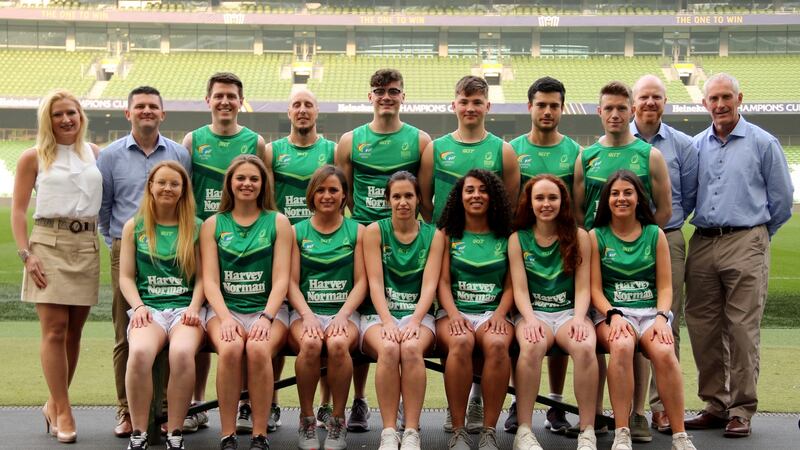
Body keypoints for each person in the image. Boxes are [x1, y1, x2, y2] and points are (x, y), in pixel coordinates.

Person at [684, 73, 794, 438]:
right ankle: (716, 405)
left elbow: (781, 200)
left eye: (726, 97)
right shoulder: (696, 145)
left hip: (746, 240)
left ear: (739, 98)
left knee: (742, 330)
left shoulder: (763, 142)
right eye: (713, 98)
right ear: (704, 104)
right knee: (703, 328)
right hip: (702, 242)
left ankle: (742, 408)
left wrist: (758, 236)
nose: (720, 104)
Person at [335, 68, 431, 431]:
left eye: (393, 91)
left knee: (404, 329)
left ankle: (407, 411)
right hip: (363, 241)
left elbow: (423, 197)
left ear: (403, 96)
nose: (386, 96)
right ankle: (358, 401)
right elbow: (343, 193)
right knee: (363, 321)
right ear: (370, 95)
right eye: (379, 91)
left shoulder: (420, 141)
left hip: (404, 240)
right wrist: (361, 233)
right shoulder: (350, 140)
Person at [97, 86, 193, 438]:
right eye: (140, 106)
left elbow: (186, 197)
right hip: (129, 244)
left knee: (172, 330)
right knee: (129, 333)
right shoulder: (109, 155)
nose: (147, 111)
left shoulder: (180, 153)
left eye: (153, 106)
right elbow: (104, 208)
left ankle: (166, 408)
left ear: (163, 114)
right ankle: (127, 411)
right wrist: (118, 244)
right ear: (129, 113)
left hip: (175, 243)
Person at [11, 89, 102, 444]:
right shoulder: (33, 157)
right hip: (47, 244)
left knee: (74, 332)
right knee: (54, 330)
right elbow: (18, 211)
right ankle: (63, 410)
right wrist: (26, 254)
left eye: (72, 113)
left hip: (86, 244)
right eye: (58, 114)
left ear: (81, 116)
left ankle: (53, 403)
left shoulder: (95, 153)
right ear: (47, 120)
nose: (66, 119)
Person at [183, 72, 267, 434]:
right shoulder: (193, 140)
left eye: (232, 96)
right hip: (201, 239)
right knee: (199, 322)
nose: (225, 102)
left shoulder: (255, 141)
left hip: (239, 241)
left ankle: (249, 402)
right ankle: (195, 402)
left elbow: (266, 191)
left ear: (240, 100)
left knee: (245, 324)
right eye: (219, 96)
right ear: (208, 101)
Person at [589, 170, 695, 450]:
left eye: (628, 193)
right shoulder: (596, 236)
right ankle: (622, 431)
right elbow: (594, 290)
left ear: (638, 198)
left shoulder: (654, 234)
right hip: (610, 314)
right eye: (615, 193)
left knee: (664, 352)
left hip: (650, 314)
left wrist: (662, 318)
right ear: (606, 200)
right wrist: (613, 314)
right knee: (621, 345)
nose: (621, 198)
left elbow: (665, 288)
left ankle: (680, 436)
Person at [199, 155, 292, 450]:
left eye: (254, 178)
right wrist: (226, 318)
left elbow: (281, 280)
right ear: (229, 183)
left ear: (263, 184)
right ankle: (227, 435)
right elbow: (210, 281)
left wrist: (266, 317)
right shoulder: (213, 224)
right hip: (225, 311)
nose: (247, 184)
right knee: (229, 349)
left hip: (269, 311)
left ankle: (259, 434)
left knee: (257, 348)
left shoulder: (278, 221)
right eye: (240, 178)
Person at [506, 76, 582, 435]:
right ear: (530, 107)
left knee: (560, 318)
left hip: (561, 245)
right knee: (523, 328)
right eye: (541, 104)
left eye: (554, 105)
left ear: (562, 109)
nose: (548, 111)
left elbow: (576, 206)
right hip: (523, 247)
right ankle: (515, 405)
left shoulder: (574, 152)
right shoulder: (513, 150)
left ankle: (555, 405)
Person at [508, 175, 598, 450]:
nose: (546, 204)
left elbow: (583, 288)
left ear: (563, 201)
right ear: (529, 202)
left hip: (570, 312)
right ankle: (524, 430)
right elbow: (520, 290)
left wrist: (581, 319)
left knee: (584, 348)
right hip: (532, 313)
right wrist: (531, 319)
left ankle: (587, 430)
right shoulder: (518, 238)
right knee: (532, 345)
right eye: (539, 198)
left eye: (552, 198)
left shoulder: (579, 236)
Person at [119, 162, 205, 450]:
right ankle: (139, 433)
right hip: (150, 310)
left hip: (185, 309)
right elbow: (126, 277)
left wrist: (194, 306)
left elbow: (205, 277)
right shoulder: (135, 226)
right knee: (140, 352)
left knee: (181, 353)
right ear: (151, 187)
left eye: (175, 184)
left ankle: (175, 432)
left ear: (183, 190)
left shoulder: (196, 227)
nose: (168, 188)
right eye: (162, 183)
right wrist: (139, 306)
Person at [630, 74, 698, 435]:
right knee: (627, 318)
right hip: (623, 243)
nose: (650, 103)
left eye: (657, 97)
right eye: (644, 97)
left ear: (665, 101)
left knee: (665, 320)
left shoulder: (683, 144)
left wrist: (657, 229)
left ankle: (663, 406)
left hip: (667, 238)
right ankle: (634, 408)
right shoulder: (615, 141)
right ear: (633, 103)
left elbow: (687, 197)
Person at [265, 88, 335, 432]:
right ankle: (271, 403)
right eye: (296, 104)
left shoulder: (331, 151)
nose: (303, 110)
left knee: (327, 329)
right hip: (279, 248)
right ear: (288, 112)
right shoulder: (271, 151)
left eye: (308, 104)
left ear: (317, 111)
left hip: (320, 247)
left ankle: (325, 405)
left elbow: (338, 197)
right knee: (277, 322)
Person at [361, 171, 445, 450]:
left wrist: (415, 320)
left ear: (419, 199)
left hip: (418, 316)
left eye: (409, 195)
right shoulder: (375, 231)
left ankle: (411, 430)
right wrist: (387, 321)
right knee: (388, 348)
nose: (403, 202)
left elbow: (430, 285)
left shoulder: (434, 235)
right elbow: (374, 282)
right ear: (388, 200)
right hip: (378, 316)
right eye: (396, 196)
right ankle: (388, 431)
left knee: (410, 348)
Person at [287, 165, 366, 450]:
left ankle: (337, 421)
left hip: (345, 313)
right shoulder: (296, 231)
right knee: (310, 344)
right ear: (311, 194)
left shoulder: (358, 231)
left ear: (344, 195)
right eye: (320, 189)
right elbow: (291, 283)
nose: (327, 195)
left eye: (334, 189)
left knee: (336, 345)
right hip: (304, 313)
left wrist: (343, 314)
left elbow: (361, 282)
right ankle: (307, 420)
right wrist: (307, 315)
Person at [436, 169, 514, 450]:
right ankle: (458, 429)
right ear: (459, 197)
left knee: (496, 345)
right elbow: (442, 282)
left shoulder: (507, 236)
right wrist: (454, 314)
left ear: (493, 197)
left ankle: (488, 431)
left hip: (493, 312)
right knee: (459, 341)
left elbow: (511, 286)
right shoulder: (447, 235)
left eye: (483, 190)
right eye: (470, 190)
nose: (476, 195)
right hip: (454, 312)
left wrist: (499, 315)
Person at [420, 75, 520, 225]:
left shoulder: (504, 151)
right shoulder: (434, 149)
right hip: (445, 242)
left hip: (489, 244)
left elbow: (510, 206)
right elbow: (424, 203)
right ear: (454, 106)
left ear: (488, 106)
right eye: (464, 102)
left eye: (477, 102)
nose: (470, 108)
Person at [573, 81, 671, 231]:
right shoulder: (585, 157)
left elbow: (665, 211)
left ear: (632, 110)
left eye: (621, 108)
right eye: (608, 108)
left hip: (637, 252)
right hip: (596, 249)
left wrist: (642, 240)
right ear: (599, 111)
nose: (615, 115)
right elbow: (578, 212)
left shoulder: (651, 156)